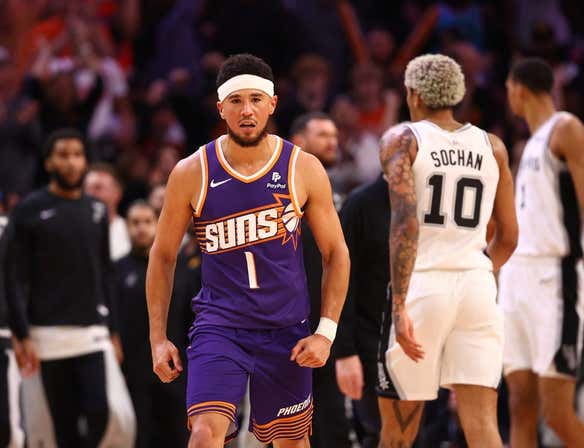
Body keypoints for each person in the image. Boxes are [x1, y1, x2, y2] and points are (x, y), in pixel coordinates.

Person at [146, 53, 350, 448]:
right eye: (236, 101)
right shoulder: (192, 171)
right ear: (221, 108)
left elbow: (337, 253)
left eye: (256, 99)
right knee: (205, 433)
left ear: (272, 104)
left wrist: (326, 331)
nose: (247, 110)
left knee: (292, 443)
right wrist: (158, 338)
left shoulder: (302, 167)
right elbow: (162, 255)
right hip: (219, 327)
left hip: (285, 329)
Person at [377, 54, 518, 448]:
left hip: (423, 285)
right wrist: (480, 273)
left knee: (398, 433)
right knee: (484, 427)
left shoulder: (401, 139)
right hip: (477, 286)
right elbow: (508, 236)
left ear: (413, 94)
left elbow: (405, 224)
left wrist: (401, 303)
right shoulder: (493, 146)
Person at [500, 57, 584, 447]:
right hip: (516, 280)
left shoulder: (565, 128)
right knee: (520, 404)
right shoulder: (528, 145)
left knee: (556, 410)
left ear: (518, 88)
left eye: (508, 89)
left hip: (556, 279)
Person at [4, 128, 134, 447]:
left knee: (101, 411)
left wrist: (114, 330)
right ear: (49, 162)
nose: (72, 162)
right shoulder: (29, 210)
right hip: (45, 335)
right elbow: (12, 277)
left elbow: (104, 275)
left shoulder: (97, 210)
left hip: (91, 334)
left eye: (77, 155)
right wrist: (20, 334)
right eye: (63, 155)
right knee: (61, 423)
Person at [291, 112, 353, 448]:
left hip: (331, 326)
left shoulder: (341, 197)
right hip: (286, 324)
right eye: (322, 135)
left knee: (334, 424)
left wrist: (341, 336)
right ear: (299, 140)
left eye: (334, 134)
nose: (332, 141)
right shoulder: (280, 194)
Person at [115, 201, 194, 448]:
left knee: (178, 435)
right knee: (141, 437)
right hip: (135, 371)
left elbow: (192, 318)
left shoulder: (181, 269)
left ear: (158, 225)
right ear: (125, 227)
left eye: (147, 222)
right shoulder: (116, 271)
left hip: (179, 368)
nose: (141, 229)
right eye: (135, 223)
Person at [336, 174, 390, 448]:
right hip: (369, 342)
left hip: (419, 339)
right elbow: (339, 281)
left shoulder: (428, 202)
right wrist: (345, 352)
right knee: (378, 433)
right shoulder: (360, 204)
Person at [0, 199, 24, 448]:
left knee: (10, 433)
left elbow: (15, 285)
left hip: (5, 335)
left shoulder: (8, 228)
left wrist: (22, 332)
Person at [85, 162, 131, 261]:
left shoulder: (129, 231)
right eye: (86, 188)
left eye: (98, 188)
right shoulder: (74, 230)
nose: (89, 194)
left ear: (117, 193)